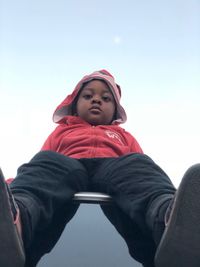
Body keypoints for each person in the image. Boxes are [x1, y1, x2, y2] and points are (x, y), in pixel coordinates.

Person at [0, 69, 200, 267]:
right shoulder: (62, 132)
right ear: (75, 106)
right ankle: (14, 219)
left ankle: (170, 221)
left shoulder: (123, 136)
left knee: (137, 166)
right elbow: (38, 170)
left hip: (113, 168)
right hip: (68, 166)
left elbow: (146, 175)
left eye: (106, 98)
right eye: (88, 96)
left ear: (115, 110)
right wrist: (12, 187)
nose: (96, 100)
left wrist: (173, 194)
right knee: (48, 160)